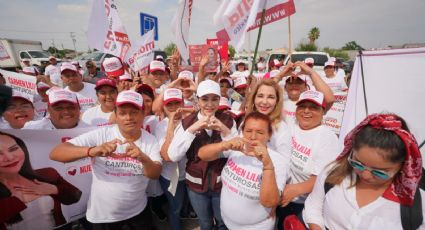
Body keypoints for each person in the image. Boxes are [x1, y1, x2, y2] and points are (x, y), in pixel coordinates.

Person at [50, 90, 162, 229]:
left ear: (143, 113)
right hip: (102, 216)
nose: (128, 117)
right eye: (122, 113)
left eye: (134, 112)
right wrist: (91, 151)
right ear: (115, 114)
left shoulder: (150, 140)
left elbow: (155, 174)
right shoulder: (102, 134)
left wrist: (143, 158)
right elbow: (56, 153)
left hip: (138, 212)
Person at [303, 113, 424, 229]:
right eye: (357, 164)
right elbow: (314, 206)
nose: (365, 175)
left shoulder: (418, 204)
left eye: (379, 172)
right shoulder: (333, 172)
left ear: (403, 165)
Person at [198, 112, 289, 229]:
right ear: (242, 131)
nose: (253, 137)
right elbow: (202, 154)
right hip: (227, 222)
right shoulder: (237, 148)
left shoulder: (278, 161)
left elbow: (269, 202)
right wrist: (224, 145)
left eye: (260, 132)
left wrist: (267, 165)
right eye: (248, 131)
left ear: (269, 134)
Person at [168, 80, 238, 230]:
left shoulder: (227, 120)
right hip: (195, 186)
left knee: (222, 222)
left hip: (222, 184)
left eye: (215, 99)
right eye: (205, 99)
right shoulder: (187, 122)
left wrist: (224, 130)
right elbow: (173, 155)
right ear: (197, 100)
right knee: (205, 223)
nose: (210, 104)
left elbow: (236, 153)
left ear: (220, 99)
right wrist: (192, 129)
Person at [276, 90, 341, 229]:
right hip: (283, 196)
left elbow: (320, 179)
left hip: (304, 206)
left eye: (313, 107)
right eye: (302, 106)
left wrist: (292, 190)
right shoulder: (292, 124)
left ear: (323, 111)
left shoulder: (327, 138)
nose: (306, 111)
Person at [0, 131, 82, 229]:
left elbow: (75, 196)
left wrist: (54, 189)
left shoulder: (47, 173)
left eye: (13, 149)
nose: (10, 157)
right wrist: (16, 201)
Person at [155, 88, 187, 230]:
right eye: (170, 104)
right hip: (170, 176)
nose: (174, 108)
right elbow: (166, 155)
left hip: (189, 174)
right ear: (164, 107)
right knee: (176, 207)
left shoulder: (191, 121)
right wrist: (170, 125)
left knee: (184, 203)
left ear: (183, 102)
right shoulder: (161, 125)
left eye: (177, 103)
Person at [245, 79, 291, 161]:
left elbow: (284, 162)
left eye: (271, 97)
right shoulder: (247, 120)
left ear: (277, 101)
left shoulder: (281, 128)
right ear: (254, 98)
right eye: (260, 96)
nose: (264, 102)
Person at [281, 61, 335, 128]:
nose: (294, 85)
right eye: (290, 82)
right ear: (285, 87)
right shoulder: (279, 100)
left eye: (299, 82)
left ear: (306, 87)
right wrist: (280, 75)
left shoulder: (313, 102)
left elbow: (329, 100)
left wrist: (311, 72)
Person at [23, 89, 89, 130]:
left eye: (71, 107)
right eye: (59, 108)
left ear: (79, 108)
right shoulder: (31, 129)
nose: (66, 112)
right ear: (48, 110)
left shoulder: (92, 131)